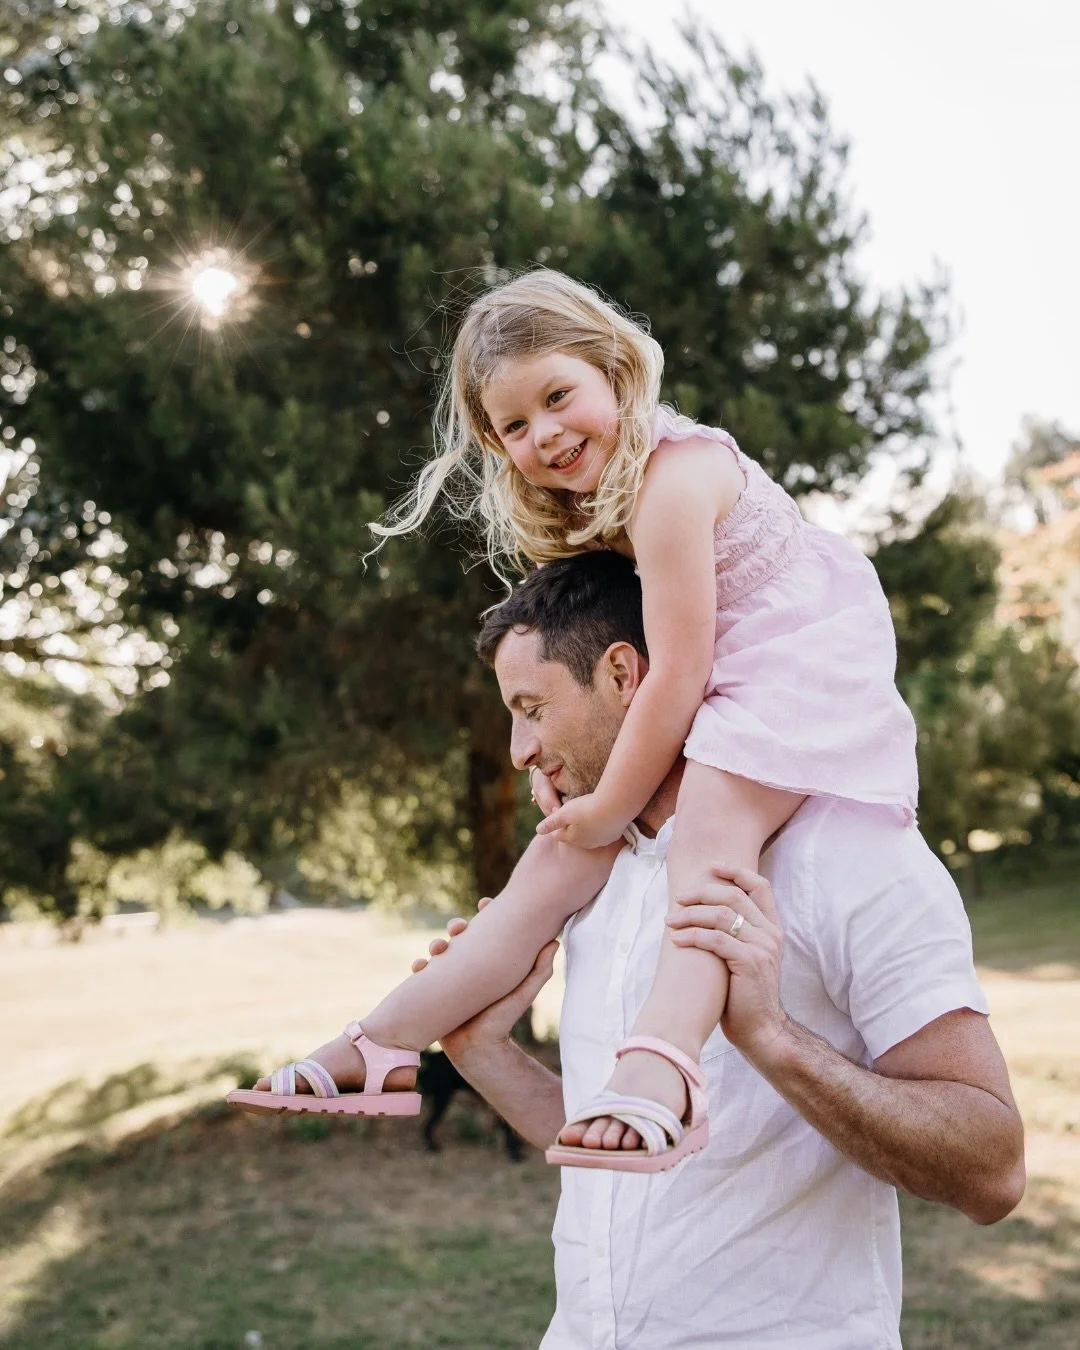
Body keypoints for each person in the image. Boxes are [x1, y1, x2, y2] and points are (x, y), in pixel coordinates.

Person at [229, 269, 918, 1168]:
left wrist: (606, 806)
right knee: (554, 854)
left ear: (615, 372)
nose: (546, 434)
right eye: (515, 425)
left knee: (705, 838)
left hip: (794, 668)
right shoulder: (606, 502)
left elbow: (676, 673)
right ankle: (382, 1043)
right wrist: (583, 808)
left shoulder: (671, 481)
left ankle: (662, 1071)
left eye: (560, 396)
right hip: (715, 674)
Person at [414, 552, 1025, 1348]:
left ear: (622, 674)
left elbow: (994, 1169)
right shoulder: (598, 874)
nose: (518, 750)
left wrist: (774, 1039)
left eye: (533, 708)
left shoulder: (854, 855)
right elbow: (625, 1151)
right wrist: (480, 1049)